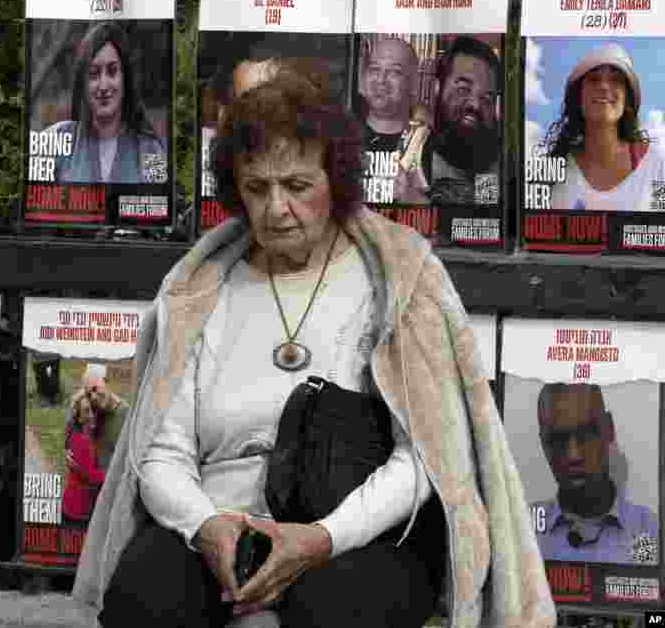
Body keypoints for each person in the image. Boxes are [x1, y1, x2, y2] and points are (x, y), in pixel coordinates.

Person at [74, 73, 554, 628]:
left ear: (337, 180)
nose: (277, 208)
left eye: (298, 185)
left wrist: (321, 539)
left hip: (361, 531)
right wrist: (208, 529)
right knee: (144, 602)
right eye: (257, 188)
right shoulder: (200, 290)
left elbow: (425, 456)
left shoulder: (396, 284)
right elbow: (160, 449)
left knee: (332, 613)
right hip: (220, 523)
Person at [531, 383, 658, 565]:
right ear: (543, 444)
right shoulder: (523, 530)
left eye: (585, 434)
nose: (573, 455)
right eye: (557, 439)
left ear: (609, 430)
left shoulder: (647, 530)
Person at [543, 44, 665, 211]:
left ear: (627, 100)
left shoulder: (657, 166)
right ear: (578, 97)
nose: (604, 86)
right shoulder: (552, 173)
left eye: (616, 80)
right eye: (594, 79)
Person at [45, 22, 166, 185]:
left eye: (112, 71)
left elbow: (159, 207)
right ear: (83, 82)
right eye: (94, 74)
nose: (103, 85)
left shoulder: (151, 150)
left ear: (125, 78)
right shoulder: (56, 138)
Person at [394, 36, 502, 206]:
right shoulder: (410, 149)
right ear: (437, 87)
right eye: (463, 89)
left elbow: (485, 211)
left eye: (486, 98)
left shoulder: (493, 160)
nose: (475, 104)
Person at [358, 36, 419, 152]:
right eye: (375, 69)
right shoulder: (344, 140)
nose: (381, 80)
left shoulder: (423, 145)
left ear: (413, 84)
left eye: (394, 72)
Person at [61, 390, 105, 524]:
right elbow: (90, 476)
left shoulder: (86, 435)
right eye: (86, 411)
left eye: (93, 410)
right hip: (76, 512)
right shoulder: (80, 441)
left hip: (78, 508)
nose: (92, 415)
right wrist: (110, 475)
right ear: (79, 417)